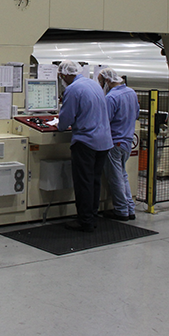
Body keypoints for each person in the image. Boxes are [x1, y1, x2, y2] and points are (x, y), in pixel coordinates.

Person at [56, 60, 113, 232]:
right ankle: (92, 216)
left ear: (65, 75)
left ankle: (85, 221)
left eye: (61, 76)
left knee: (83, 183)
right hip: (104, 141)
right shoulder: (93, 85)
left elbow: (64, 121)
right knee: (94, 181)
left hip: (86, 142)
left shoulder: (73, 90)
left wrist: (59, 125)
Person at [98, 67, 139, 221]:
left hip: (114, 143)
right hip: (127, 141)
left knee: (115, 178)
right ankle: (130, 207)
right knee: (123, 175)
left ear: (108, 80)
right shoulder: (131, 92)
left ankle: (121, 211)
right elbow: (136, 114)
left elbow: (104, 121)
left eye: (101, 82)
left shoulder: (111, 98)